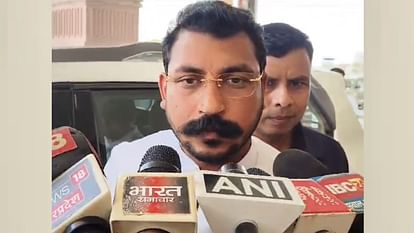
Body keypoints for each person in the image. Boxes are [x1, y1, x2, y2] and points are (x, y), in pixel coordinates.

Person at [104, 2, 279, 232]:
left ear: (263, 89)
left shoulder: (287, 180)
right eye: (189, 80)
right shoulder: (124, 165)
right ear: (165, 90)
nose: (211, 106)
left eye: (235, 80)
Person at [253, 23, 349, 173]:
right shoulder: (215, 152)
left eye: (297, 83)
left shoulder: (330, 153)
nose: (283, 100)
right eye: (268, 83)